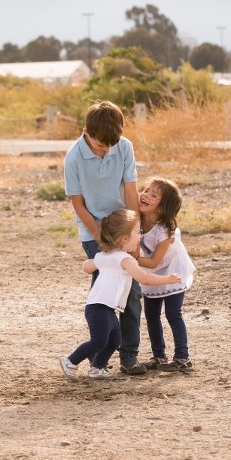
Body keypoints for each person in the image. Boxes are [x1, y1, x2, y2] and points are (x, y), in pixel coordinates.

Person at [63, 100, 147, 375]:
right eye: (102, 145)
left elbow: (131, 192)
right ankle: (97, 356)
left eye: (112, 144)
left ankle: (128, 356)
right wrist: (103, 239)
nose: (108, 150)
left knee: (130, 291)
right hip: (94, 233)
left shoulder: (124, 147)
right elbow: (78, 204)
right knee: (108, 291)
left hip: (124, 229)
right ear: (86, 131)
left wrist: (135, 233)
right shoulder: (73, 158)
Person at [60, 209, 182, 382]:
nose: (139, 237)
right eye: (137, 233)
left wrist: (93, 264)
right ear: (124, 238)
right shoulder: (125, 260)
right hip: (100, 307)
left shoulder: (105, 255)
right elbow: (144, 278)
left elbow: (87, 266)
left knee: (115, 339)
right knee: (99, 341)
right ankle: (70, 361)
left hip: (103, 308)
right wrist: (167, 279)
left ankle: (98, 367)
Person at [137, 177, 196, 371]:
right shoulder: (136, 219)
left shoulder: (165, 231)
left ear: (162, 208)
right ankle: (159, 356)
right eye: (145, 190)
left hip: (173, 269)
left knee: (173, 312)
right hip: (153, 270)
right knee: (151, 314)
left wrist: (129, 259)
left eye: (153, 195)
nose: (145, 195)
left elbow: (154, 260)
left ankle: (182, 357)